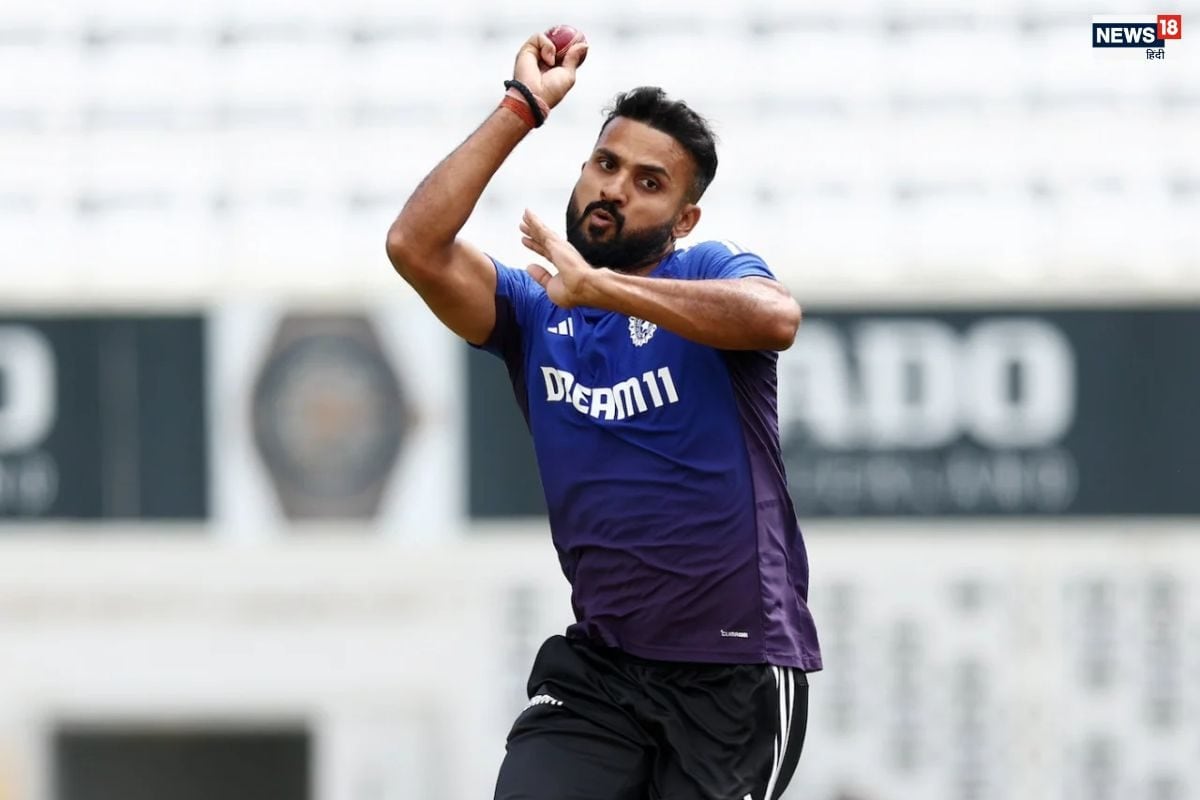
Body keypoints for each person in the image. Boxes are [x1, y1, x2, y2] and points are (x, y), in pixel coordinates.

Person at [385, 29, 821, 800]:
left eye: (650, 182)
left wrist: (602, 289)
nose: (615, 188)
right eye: (605, 164)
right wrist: (523, 106)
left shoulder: (706, 270)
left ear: (684, 219)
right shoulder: (533, 309)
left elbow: (776, 317)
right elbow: (413, 246)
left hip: (734, 672)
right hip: (602, 669)